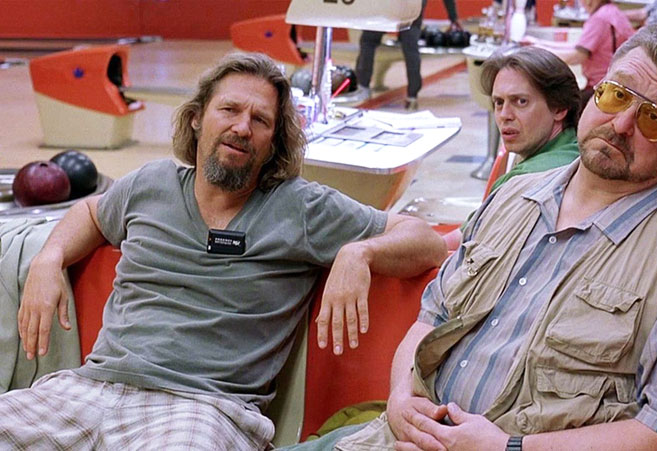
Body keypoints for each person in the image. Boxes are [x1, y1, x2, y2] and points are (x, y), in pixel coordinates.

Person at [283, 24, 657, 451]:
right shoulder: (513, 197)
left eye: (654, 117)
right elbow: (433, 316)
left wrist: (510, 447)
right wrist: (399, 399)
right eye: (617, 96)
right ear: (594, 91)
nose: (622, 124)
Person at [1, 52, 447, 449]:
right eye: (229, 110)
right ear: (197, 118)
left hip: (202, 408)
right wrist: (49, 258)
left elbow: (424, 240)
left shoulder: (300, 207)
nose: (242, 127)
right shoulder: (150, 184)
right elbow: (92, 212)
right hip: (89, 389)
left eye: (260, 120)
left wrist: (360, 253)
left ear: (274, 143)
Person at [443, 46, 582, 249]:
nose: (505, 115)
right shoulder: (576, 149)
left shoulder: (525, 179)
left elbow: (460, 245)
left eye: (521, 101)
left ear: (559, 108)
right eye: (499, 102)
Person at [523, 0, 635, 108]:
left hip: (602, 88)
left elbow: (577, 56)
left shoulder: (599, 18)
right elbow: (579, 47)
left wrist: (538, 51)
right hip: (615, 85)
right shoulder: (612, 12)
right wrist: (539, 44)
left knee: (560, 107)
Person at [355, 0, 428, 111]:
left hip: (386, 7)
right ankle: (412, 95)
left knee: (368, 42)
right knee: (411, 48)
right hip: (412, 7)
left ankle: (363, 86)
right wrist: (453, 18)